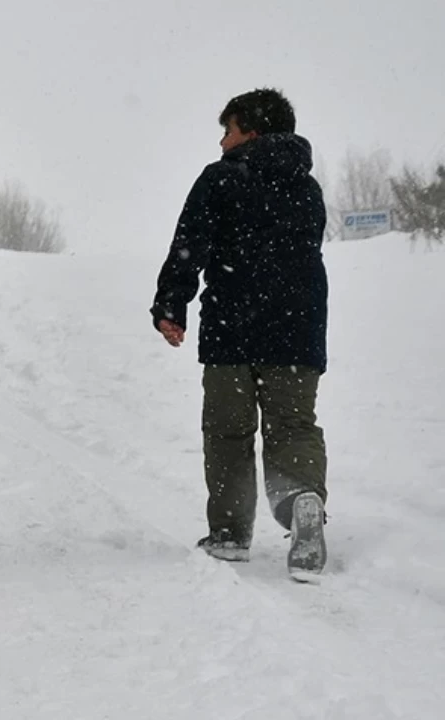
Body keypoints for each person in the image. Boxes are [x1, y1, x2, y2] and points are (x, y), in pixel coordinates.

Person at [150, 88, 329, 581]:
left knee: (228, 430)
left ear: (251, 130)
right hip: (297, 328)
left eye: (227, 131)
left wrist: (171, 305)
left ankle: (229, 533)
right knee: (293, 426)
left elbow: (189, 245)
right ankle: (303, 501)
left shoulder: (221, 178)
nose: (222, 142)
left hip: (233, 325)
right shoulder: (307, 186)